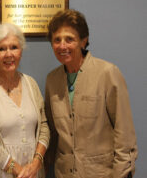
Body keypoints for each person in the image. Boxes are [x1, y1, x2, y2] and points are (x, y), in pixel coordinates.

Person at [44, 9, 138, 178]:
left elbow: (125, 135)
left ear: (83, 41)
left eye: (69, 39)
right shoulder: (52, 80)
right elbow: (52, 132)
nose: (62, 46)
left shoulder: (108, 73)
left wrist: (122, 173)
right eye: (57, 40)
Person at [0, 23, 50, 178]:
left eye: (14, 47)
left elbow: (44, 126)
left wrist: (36, 162)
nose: (9, 54)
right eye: (1, 49)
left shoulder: (31, 84)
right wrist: (17, 169)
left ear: (21, 51)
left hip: (33, 174)